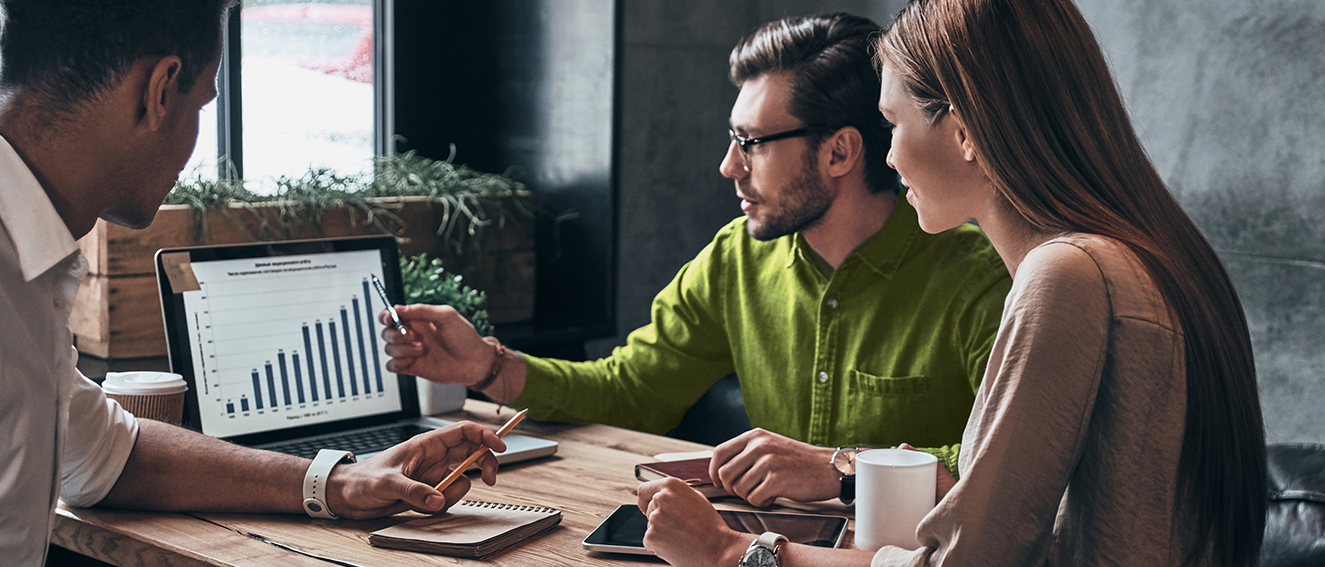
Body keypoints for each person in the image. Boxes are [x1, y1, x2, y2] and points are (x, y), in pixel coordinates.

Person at [636, 0, 1269, 567]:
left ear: (965, 129)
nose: (887, 158)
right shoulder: (1151, 256)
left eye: (893, 124)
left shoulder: (1066, 277)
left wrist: (731, 552)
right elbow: (1049, 534)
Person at [0, 2, 506, 567]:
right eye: (202, 103)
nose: (194, 147)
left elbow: (105, 453)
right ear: (160, 89)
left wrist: (341, 481)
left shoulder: (3, 249)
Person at [381, 13, 1011, 507]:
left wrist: (840, 466)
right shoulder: (735, 260)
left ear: (840, 153)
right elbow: (632, 391)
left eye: (751, 144)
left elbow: (1006, 468)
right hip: (763, 557)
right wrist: (486, 364)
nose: (728, 166)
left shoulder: (982, 279)